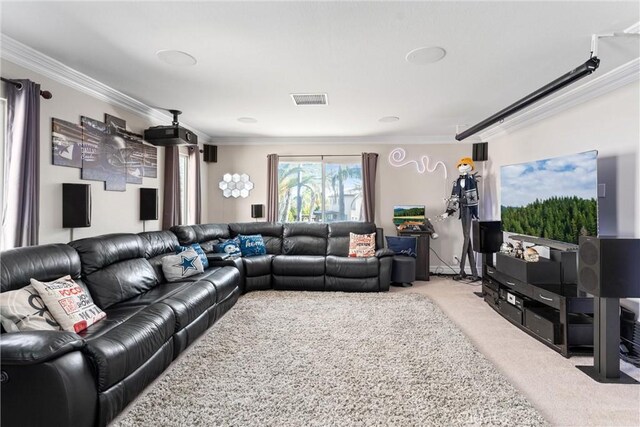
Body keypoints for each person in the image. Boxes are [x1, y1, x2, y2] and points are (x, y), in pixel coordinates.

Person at [440, 157, 479, 280]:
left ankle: (462, 271)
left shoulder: (472, 181)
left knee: (466, 239)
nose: (462, 166)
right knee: (467, 240)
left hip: (468, 210)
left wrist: (457, 200)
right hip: (462, 211)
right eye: (460, 164)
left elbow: (473, 199)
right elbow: (453, 199)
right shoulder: (456, 182)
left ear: (470, 166)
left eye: (465, 164)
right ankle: (474, 273)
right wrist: (447, 213)